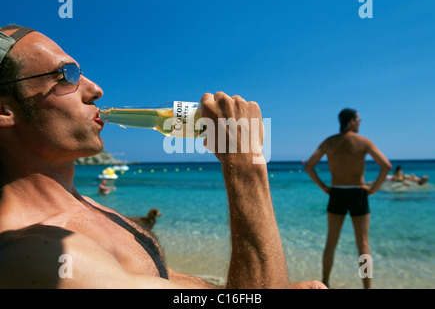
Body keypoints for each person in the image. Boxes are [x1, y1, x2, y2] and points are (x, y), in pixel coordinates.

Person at [0, 25, 325, 289]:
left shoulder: (85, 207)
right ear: (5, 109)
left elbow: (160, 281)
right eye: (66, 75)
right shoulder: (38, 253)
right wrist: (245, 163)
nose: (96, 89)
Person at [304, 108, 391, 289]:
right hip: (358, 193)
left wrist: (324, 187)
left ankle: (325, 283)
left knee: (331, 242)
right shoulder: (363, 142)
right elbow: (386, 166)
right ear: (351, 121)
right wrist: (373, 189)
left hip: (336, 193)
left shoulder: (329, 142)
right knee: (363, 245)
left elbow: (309, 166)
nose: (360, 122)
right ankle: (367, 287)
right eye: (359, 119)